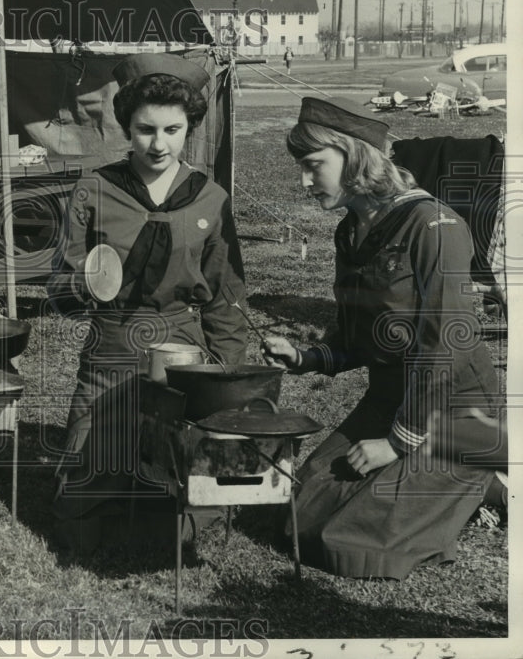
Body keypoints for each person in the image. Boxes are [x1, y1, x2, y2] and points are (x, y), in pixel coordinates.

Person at [263, 96, 502, 579]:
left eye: (313, 166)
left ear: (353, 157)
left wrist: (396, 443)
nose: (304, 182)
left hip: (453, 407)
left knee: (350, 544)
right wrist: (306, 356)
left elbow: (443, 349)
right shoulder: (350, 232)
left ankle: (485, 478)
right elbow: (356, 335)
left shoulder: (434, 227)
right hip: (389, 395)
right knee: (297, 516)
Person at [47, 53, 248, 535]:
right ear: (125, 127)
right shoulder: (95, 189)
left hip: (182, 349)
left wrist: (227, 376)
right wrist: (85, 285)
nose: (159, 144)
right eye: (145, 129)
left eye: (173, 130)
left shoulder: (210, 198)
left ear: (190, 129)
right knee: (78, 509)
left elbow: (224, 295)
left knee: (187, 483)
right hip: (111, 347)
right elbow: (60, 287)